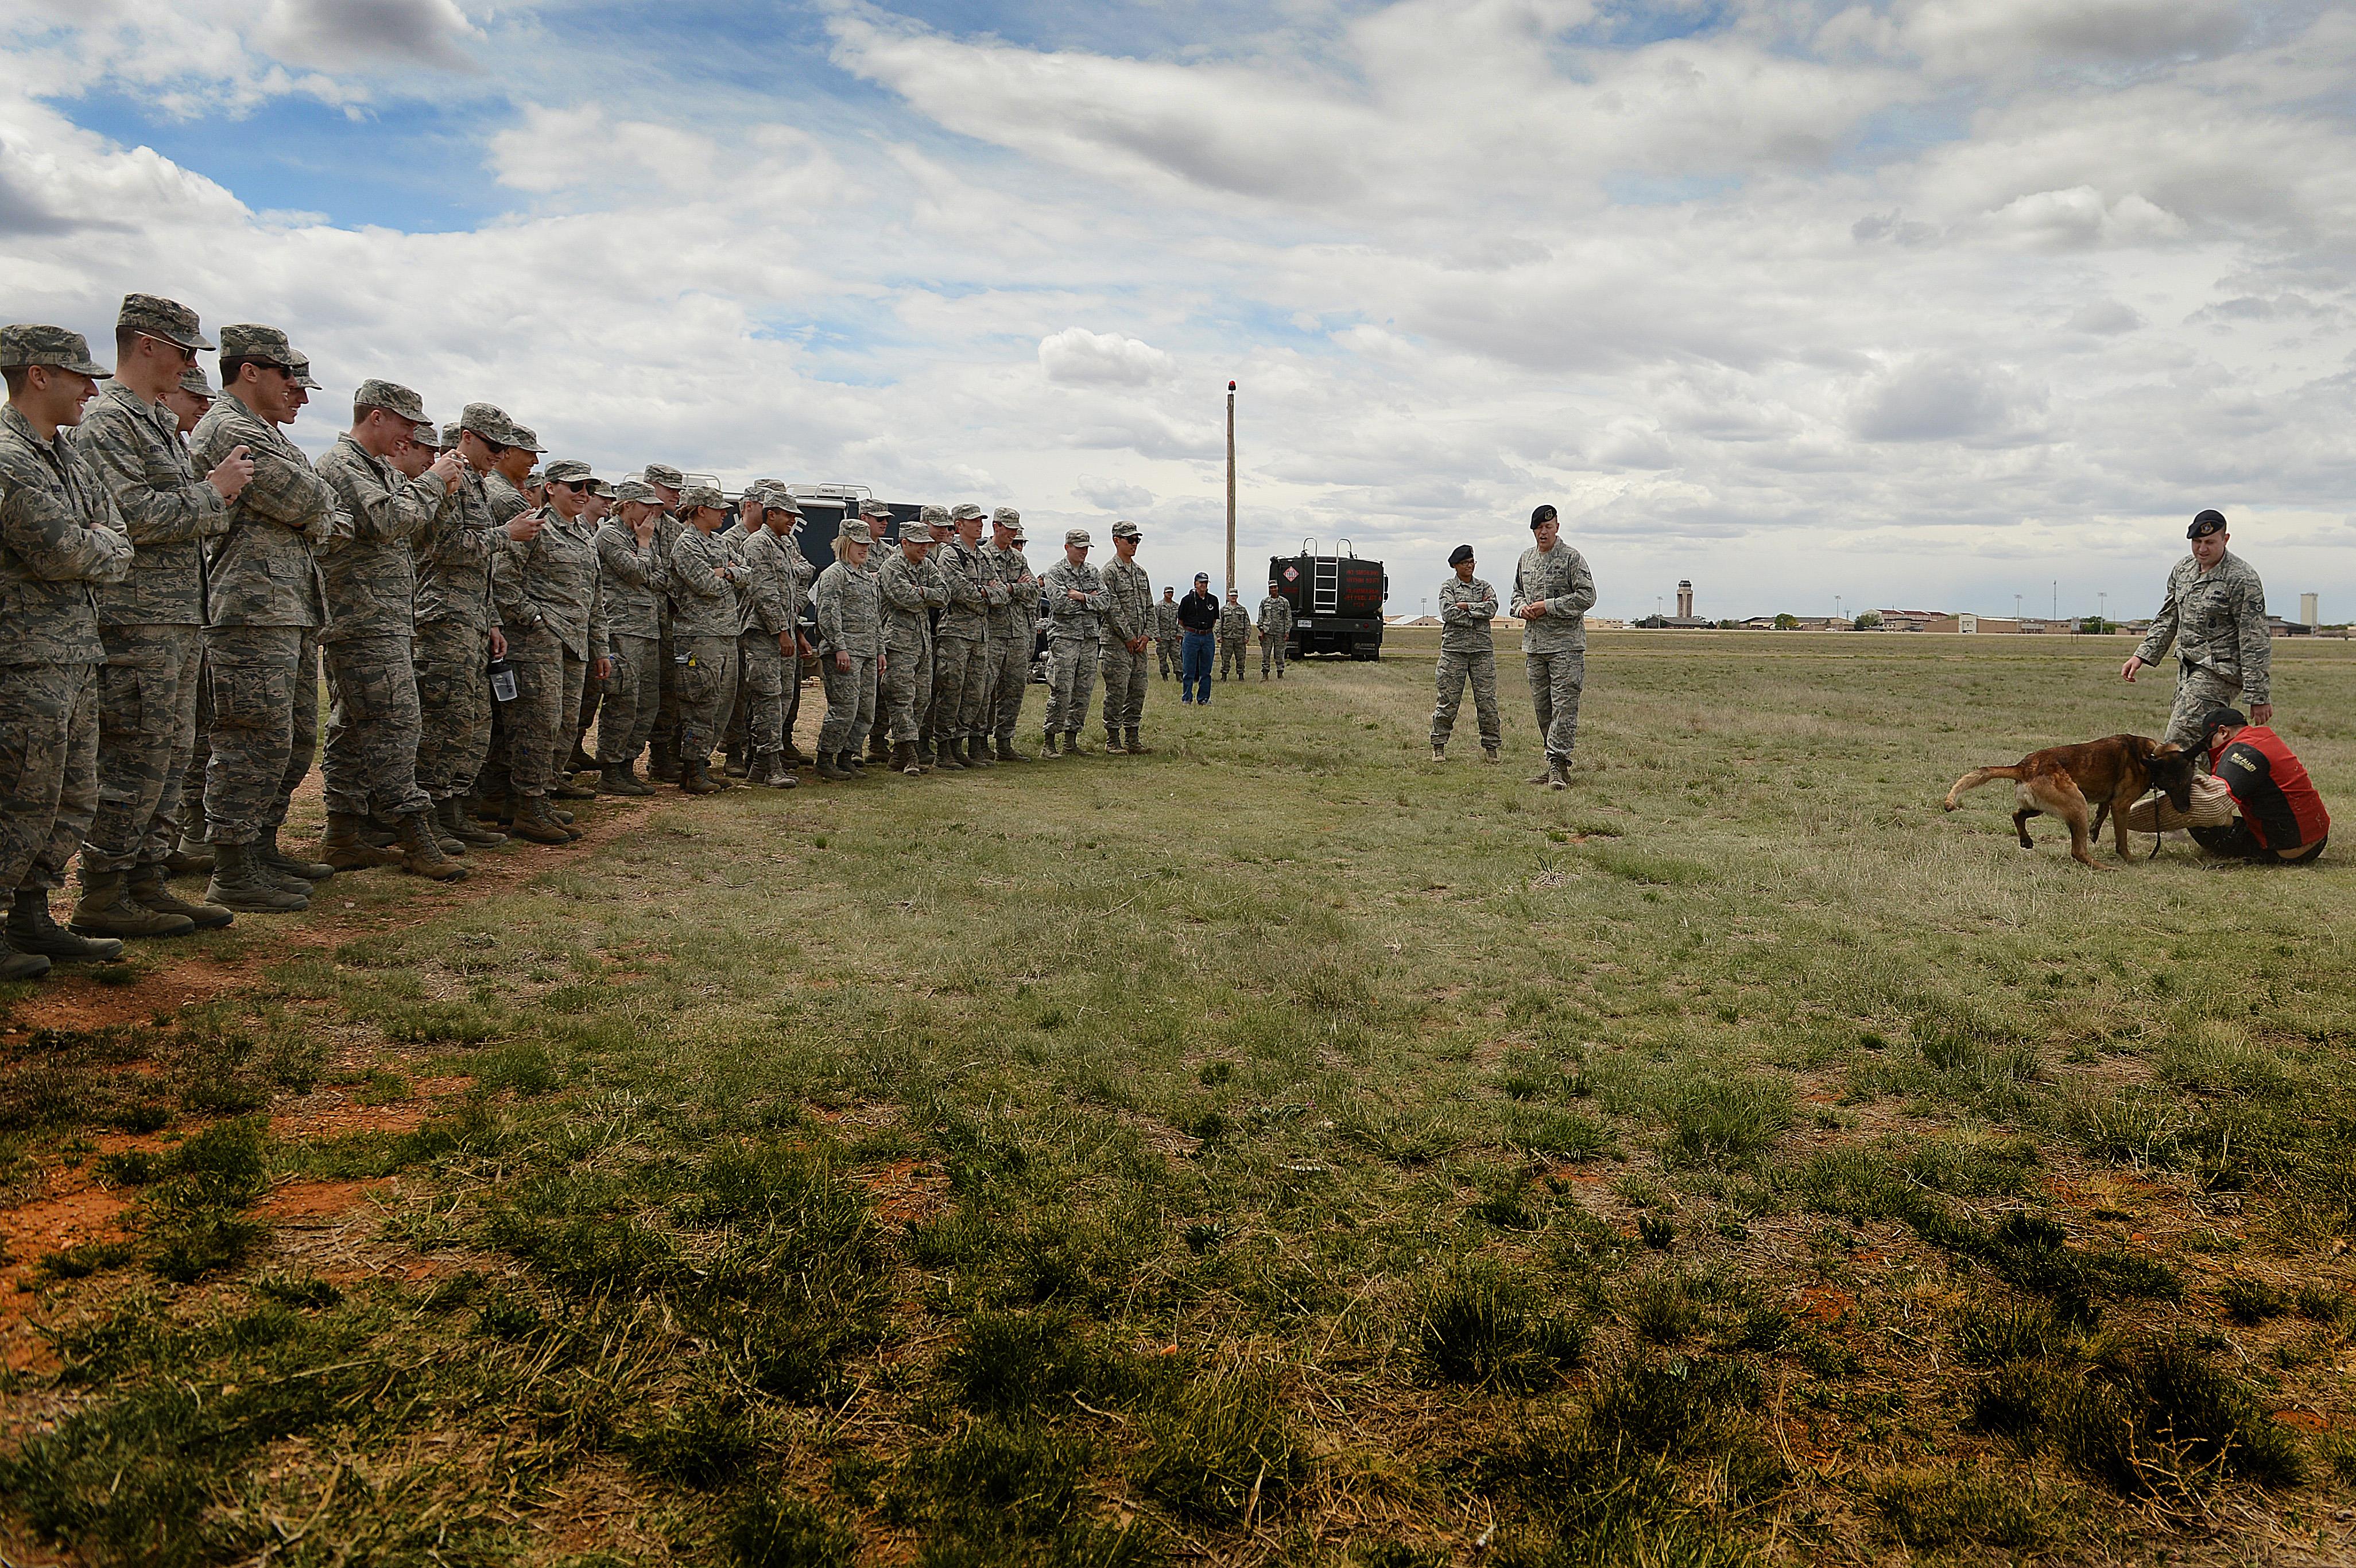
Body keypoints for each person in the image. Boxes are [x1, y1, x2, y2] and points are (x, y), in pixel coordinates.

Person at [68, 294, 247, 939]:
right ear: (145, 344)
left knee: (171, 754)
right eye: (182, 350)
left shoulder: (151, 422)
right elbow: (132, 516)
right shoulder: (109, 422)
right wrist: (213, 492)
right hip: (133, 620)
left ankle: (147, 879)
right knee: (132, 757)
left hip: (175, 619)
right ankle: (104, 890)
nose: (190, 365)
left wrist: (204, 499)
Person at [0, 324, 138, 980]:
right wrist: (96, 542)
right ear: (37, 375)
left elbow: (117, 536)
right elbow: (63, 551)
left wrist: (97, 541)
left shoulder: (67, 456)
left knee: (71, 795)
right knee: (19, 796)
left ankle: (33, 917)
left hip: (76, 655)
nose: (92, 387)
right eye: (80, 377)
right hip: (24, 660)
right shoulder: (7, 456)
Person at [189, 324, 338, 911]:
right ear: (249, 371)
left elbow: (322, 510)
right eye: (288, 378)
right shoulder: (229, 428)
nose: (298, 392)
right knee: (250, 740)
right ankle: (231, 866)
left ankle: (259, 846)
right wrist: (312, 508)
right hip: (249, 609)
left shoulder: (265, 433)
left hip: (285, 606)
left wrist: (313, 508)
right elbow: (309, 501)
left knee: (293, 738)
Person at [312, 379, 464, 878]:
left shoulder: (375, 468)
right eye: (406, 425)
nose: (410, 437)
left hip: (384, 616)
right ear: (376, 417)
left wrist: (436, 492)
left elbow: (416, 535)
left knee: (355, 727)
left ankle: (345, 833)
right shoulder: (343, 465)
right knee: (398, 723)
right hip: (361, 618)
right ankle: (412, 832)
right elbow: (384, 521)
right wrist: (433, 483)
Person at [494, 458, 610, 837]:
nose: (584, 495)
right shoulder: (535, 526)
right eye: (575, 487)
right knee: (535, 727)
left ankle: (540, 799)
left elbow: (593, 598)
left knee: (563, 725)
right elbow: (503, 582)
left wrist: (600, 647)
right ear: (550, 488)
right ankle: (528, 806)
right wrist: (536, 621)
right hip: (537, 645)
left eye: (588, 489)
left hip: (574, 646)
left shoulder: (583, 535)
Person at [413, 407, 510, 850]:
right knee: (444, 721)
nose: (501, 455)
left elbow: (482, 569)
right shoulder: (449, 477)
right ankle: (429, 814)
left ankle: (453, 807)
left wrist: (490, 619)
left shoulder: (475, 483)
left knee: (472, 721)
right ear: (468, 438)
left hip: (470, 618)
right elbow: (447, 547)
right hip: (444, 618)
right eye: (494, 446)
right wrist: (507, 535)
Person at [2122, 510, 2272, 749]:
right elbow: (2169, 617)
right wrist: (2141, 655)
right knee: (2201, 747)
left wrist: (2258, 696)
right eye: (2197, 542)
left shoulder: (2242, 578)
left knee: (2176, 741)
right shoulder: (2183, 570)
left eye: (2210, 542)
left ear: (2226, 539)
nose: (2202, 549)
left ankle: (2169, 788)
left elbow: (2254, 639)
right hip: (2187, 669)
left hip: (2220, 671)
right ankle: (2221, 786)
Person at [1509, 503, 1595, 790]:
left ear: (1557, 527)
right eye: (1539, 528)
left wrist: (1550, 607)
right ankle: (1553, 764)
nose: (1543, 532)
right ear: (1533, 530)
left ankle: (1558, 764)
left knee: (1564, 708)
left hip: (1566, 647)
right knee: (1543, 709)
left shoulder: (1572, 558)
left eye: (1548, 527)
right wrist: (1521, 608)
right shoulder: (1526, 559)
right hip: (1535, 647)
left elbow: (1587, 596)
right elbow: (1516, 593)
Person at [591, 479, 666, 794]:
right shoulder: (610, 534)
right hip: (621, 628)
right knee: (623, 700)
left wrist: (644, 557)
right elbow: (636, 572)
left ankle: (627, 763)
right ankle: (610, 768)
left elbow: (661, 577)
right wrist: (645, 547)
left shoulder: (640, 536)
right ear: (627, 505)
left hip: (647, 628)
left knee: (647, 702)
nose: (651, 511)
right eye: (645, 504)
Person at [666, 484, 742, 794]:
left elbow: (748, 576)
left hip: (726, 633)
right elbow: (704, 585)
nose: (725, 513)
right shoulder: (687, 545)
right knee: (701, 703)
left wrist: (725, 573)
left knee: (722, 703)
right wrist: (729, 575)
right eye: (719, 509)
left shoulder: (721, 543)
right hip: (698, 636)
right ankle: (693, 770)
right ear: (701, 510)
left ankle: (701, 766)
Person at [2191, 707, 2328, 864]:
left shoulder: (2239, 751)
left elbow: (2214, 805)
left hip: (2289, 849)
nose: (2210, 749)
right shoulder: (2263, 738)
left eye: (2210, 742)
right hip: (2318, 840)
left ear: (2223, 732)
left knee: (2195, 811)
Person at [735, 484, 805, 789]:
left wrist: (794, 630)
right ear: (771, 514)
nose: (793, 521)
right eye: (788, 515)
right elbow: (763, 592)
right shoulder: (757, 545)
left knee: (783, 699)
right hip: (763, 634)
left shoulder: (787, 545)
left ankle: (760, 767)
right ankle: (771, 764)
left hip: (785, 632)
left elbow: (799, 583)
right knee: (767, 699)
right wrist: (780, 631)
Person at [931, 503, 997, 770]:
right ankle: (944, 749)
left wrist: (986, 594)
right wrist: (986, 594)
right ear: (959, 525)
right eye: (973, 521)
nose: (979, 525)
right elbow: (958, 590)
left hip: (980, 634)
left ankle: (959, 745)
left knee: (974, 693)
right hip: (955, 632)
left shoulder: (982, 556)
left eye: (981, 520)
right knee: (951, 690)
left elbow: (1002, 592)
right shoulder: (950, 554)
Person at [812, 521, 881, 781]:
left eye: (867, 545)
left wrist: (880, 650)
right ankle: (826, 758)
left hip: (867, 653)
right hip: (844, 653)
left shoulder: (865, 576)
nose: (865, 549)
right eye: (860, 544)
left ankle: (847, 755)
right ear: (845, 544)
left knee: (865, 710)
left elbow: (875, 618)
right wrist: (839, 647)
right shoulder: (834, 574)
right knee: (844, 709)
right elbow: (828, 615)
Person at [879, 524, 948, 776]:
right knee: (901, 697)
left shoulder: (928, 566)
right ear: (904, 542)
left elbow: (943, 596)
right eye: (919, 543)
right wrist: (924, 595)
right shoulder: (892, 566)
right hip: (897, 642)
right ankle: (908, 753)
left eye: (927, 543)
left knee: (921, 698)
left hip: (922, 643)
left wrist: (919, 590)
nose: (925, 547)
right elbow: (902, 598)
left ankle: (900, 752)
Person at [1431, 545, 1501, 763]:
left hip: (1482, 653)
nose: (1469, 566)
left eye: (1472, 562)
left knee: (1487, 702)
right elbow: (1448, 613)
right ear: (1455, 566)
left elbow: (1492, 608)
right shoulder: (1448, 587)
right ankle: (1439, 746)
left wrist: (1466, 607)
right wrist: (1476, 615)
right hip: (1454, 652)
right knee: (1448, 702)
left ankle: (1491, 748)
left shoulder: (1484, 586)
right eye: (1465, 563)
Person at [1041, 529, 1107, 754]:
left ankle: (1071, 741)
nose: (1083, 552)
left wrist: (1080, 596)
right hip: (1065, 638)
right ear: (1067, 547)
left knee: (1083, 691)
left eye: (1086, 547)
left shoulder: (1092, 571)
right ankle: (1049, 742)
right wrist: (1091, 599)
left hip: (1089, 638)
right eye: (1079, 547)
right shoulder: (1056, 572)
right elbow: (1059, 604)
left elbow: (1105, 602)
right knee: (1061, 689)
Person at [982, 508, 1036, 760]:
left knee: (1014, 689)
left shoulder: (1018, 558)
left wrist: (1009, 588)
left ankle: (1005, 742)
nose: (1013, 533)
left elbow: (1034, 591)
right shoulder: (982, 555)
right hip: (992, 633)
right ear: (996, 527)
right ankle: (979, 741)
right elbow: (990, 595)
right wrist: (1015, 589)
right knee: (986, 690)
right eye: (1009, 528)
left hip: (1017, 634)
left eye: (1016, 528)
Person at [1099, 519, 1154, 754]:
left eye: (1137, 540)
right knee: (1117, 692)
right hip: (1117, 645)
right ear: (1116, 541)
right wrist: (1129, 637)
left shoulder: (1141, 573)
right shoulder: (1108, 573)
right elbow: (1111, 609)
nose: (1134, 544)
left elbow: (1150, 607)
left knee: (1138, 690)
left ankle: (1133, 737)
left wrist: (1146, 635)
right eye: (1130, 540)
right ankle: (1113, 739)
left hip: (1139, 646)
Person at [1177, 571, 1218, 704]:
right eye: (1201, 583)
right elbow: (1181, 620)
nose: (1203, 585)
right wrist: (1193, 630)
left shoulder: (1213, 600)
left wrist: (1205, 631)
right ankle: (1187, 698)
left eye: (1206, 583)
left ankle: (1204, 698)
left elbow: (1214, 620)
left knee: (1206, 671)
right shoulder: (1187, 600)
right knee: (1189, 670)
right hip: (1191, 636)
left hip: (1207, 637)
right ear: (1195, 584)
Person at [1257, 580, 1290, 680]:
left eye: (1275, 587)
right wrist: (1261, 630)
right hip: (1268, 632)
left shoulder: (1284, 602)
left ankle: (1280, 673)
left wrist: (1287, 632)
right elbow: (1261, 617)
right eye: (1272, 588)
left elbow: (1288, 618)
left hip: (1280, 632)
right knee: (1266, 654)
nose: (1274, 589)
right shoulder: (1265, 602)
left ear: (1278, 588)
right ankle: (1265, 674)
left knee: (1280, 653)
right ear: (1269, 589)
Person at [1216, 589, 1252, 681]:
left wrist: (1247, 636)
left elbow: (1247, 624)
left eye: (1235, 596)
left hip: (1239, 638)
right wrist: (1219, 635)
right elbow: (1219, 623)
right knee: (1225, 658)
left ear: (1237, 596)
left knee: (1241, 658)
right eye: (1231, 596)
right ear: (1228, 597)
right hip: (1227, 638)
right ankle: (1224, 676)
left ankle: (1241, 675)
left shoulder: (1242, 610)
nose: (1233, 597)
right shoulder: (1223, 610)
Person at [1156, 585, 1181, 681]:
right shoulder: (1159, 606)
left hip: (1174, 636)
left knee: (1176, 656)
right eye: (1168, 592)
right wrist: (1157, 635)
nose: (1170, 594)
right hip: (1163, 637)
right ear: (1164, 594)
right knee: (1162, 657)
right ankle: (1165, 676)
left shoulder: (1177, 606)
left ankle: (1179, 675)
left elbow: (1181, 621)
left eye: (1171, 592)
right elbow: (1155, 621)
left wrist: (1180, 633)